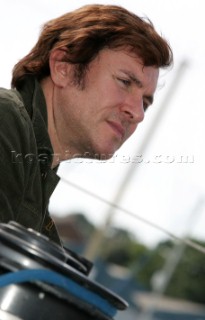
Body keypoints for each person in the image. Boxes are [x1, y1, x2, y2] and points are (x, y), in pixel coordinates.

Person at [0, 4, 173, 245]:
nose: (137, 113)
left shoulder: (35, 181)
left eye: (145, 102)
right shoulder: (5, 120)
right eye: (124, 81)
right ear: (64, 68)